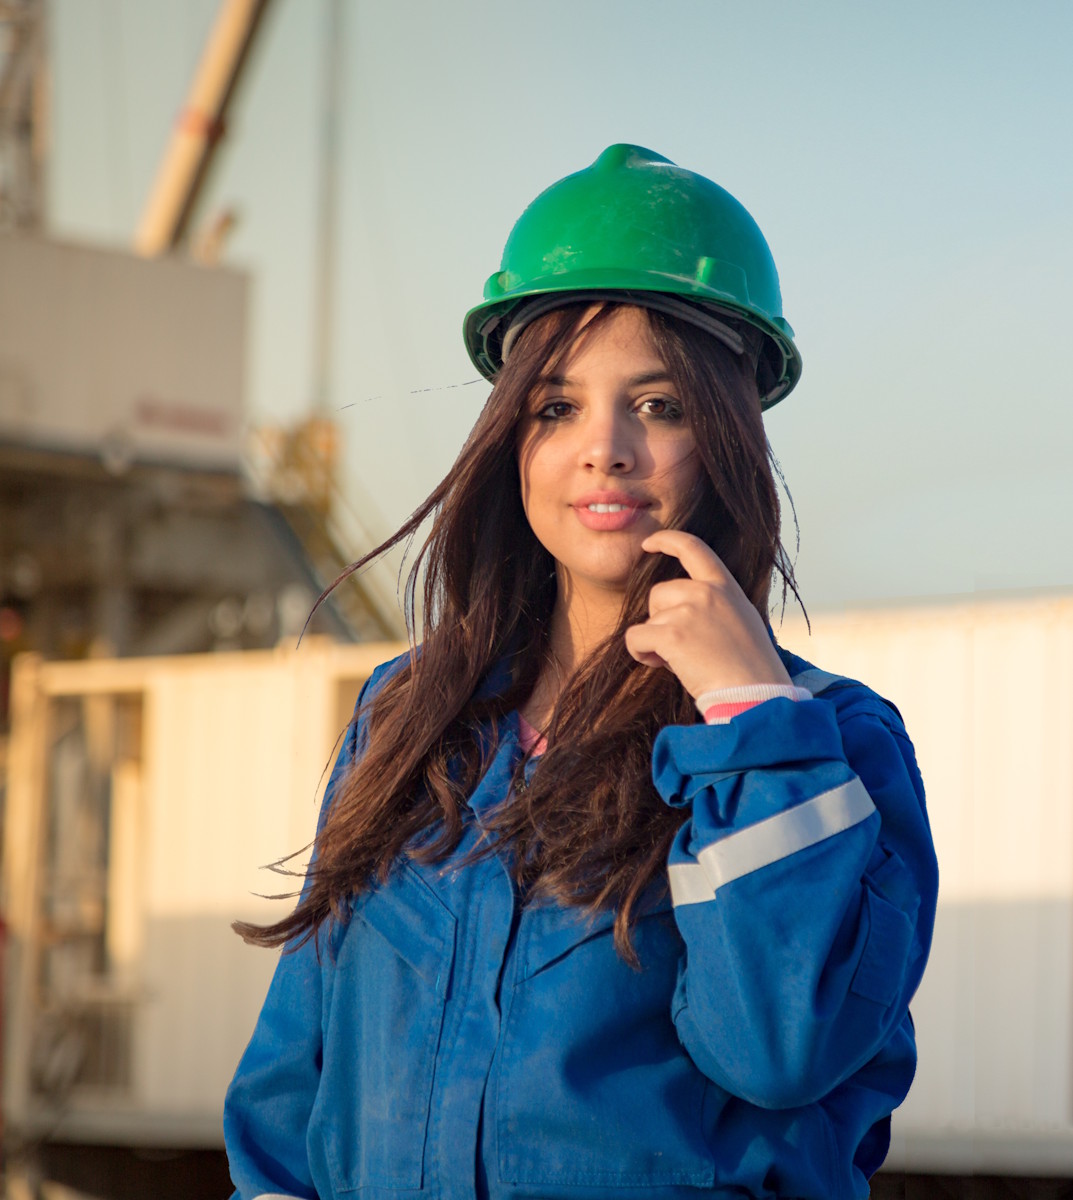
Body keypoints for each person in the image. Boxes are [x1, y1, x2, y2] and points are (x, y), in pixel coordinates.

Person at [223, 144, 938, 1200]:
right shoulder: (411, 715)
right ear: (511, 437)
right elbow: (296, 1078)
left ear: (729, 435)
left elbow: (780, 1050)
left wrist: (748, 720)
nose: (603, 449)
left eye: (659, 405)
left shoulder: (828, 743)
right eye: (556, 407)